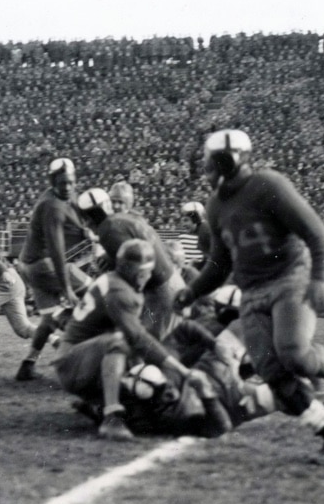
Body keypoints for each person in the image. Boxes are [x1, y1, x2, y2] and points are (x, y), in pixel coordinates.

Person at [173, 130, 324, 460]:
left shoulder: (268, 184)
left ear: (226, 161)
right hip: (251, 292)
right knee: (272, 374)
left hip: (289, 277)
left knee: (293, 353)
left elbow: (317, 233)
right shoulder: (215, 205)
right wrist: (192, 292)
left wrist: (321, 277)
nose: (206, 172)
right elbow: (220, 264)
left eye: (210, 164)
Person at [54, 239, 193, 442]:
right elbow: (137, 338)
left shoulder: (116, 281)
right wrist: (182, 370)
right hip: (72, 364)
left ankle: (99, 406)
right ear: (141, 272)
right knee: (120, 342)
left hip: (80, 358)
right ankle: (112, 418)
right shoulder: (120, 292)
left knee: (134, 359)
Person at [15, 157, 95, 381]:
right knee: (97, 292)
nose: (68, 187)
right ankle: (85, 357)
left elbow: (78, 215)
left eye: (70, 182)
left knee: (49, 320)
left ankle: (27, 364)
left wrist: (85, 229)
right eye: (62, 184)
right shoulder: (52, 206)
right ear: (53, 183)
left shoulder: (64, 198)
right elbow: (57, 250)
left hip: (31, 266)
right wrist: (67, 287)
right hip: (44, 265)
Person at [76, 186, 184, 339]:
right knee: (146, 340)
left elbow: (135, 269)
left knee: (153, 346)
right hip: (165, 287)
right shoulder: (126, 219)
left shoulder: (108, 229)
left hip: (160, 293)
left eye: (87, 217)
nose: (86, 223)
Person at [180, 201, 211, 267]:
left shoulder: (204, 231)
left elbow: (215, 259)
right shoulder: (202, 229)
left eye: (186, 220)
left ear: (196, 219)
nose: (183, 224)